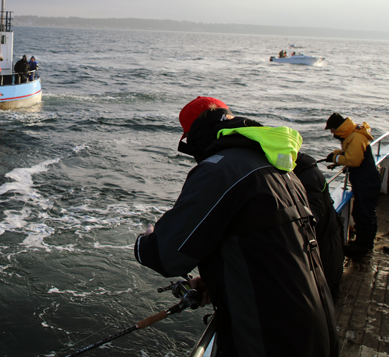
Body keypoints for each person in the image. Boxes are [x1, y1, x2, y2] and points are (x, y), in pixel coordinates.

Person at [134, 96, 338, 357]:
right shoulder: (279, 167)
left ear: (193, 136)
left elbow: (165, 256)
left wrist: (146, 241)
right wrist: (216, 278)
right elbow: (268, 244)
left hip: (270, 337)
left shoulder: (221, 169)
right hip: (317, 328)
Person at [324, 112, 382, 258]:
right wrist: (335, 156)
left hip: (366, 181)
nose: (332, 133)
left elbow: (354, 160)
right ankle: (367, 243)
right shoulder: (352, 134)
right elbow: (349, 153)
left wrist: (336, 158)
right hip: (366, 180)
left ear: (337, 127)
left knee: (362, 213)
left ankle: (361, 247)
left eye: (331, 130)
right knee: (367, 212)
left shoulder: (355, 137)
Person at [294, 152, 344, 301]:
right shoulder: (308, 171)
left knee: (327, 288)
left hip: (325, 243)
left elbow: (313, 216)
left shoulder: (308, 177)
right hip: (328, 238)